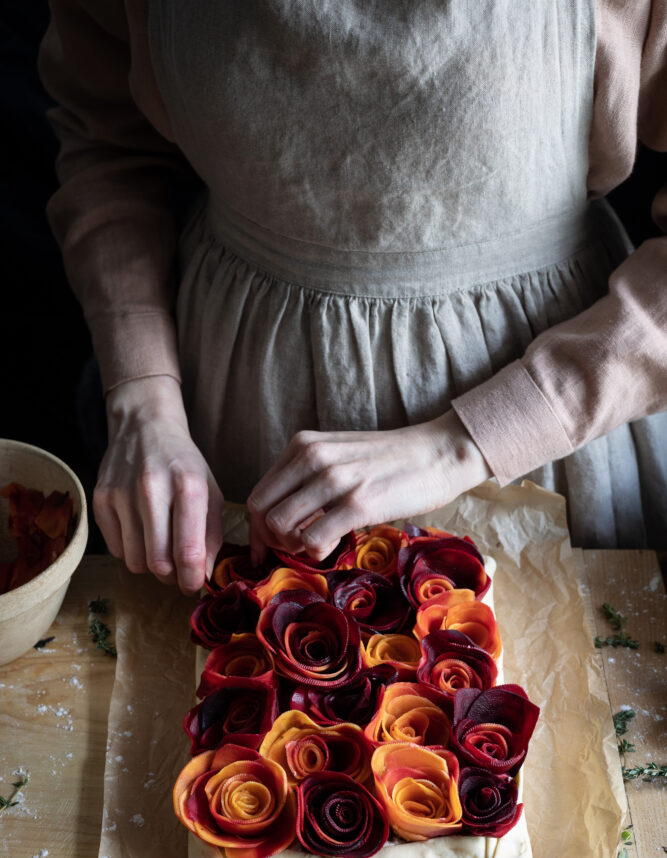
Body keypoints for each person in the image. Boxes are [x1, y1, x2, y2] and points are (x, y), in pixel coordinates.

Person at [40, 1, 667, 594]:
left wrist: (467, 440)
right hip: (223, 415)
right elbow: (110, 148)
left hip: (548, 424)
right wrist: (142, 397)